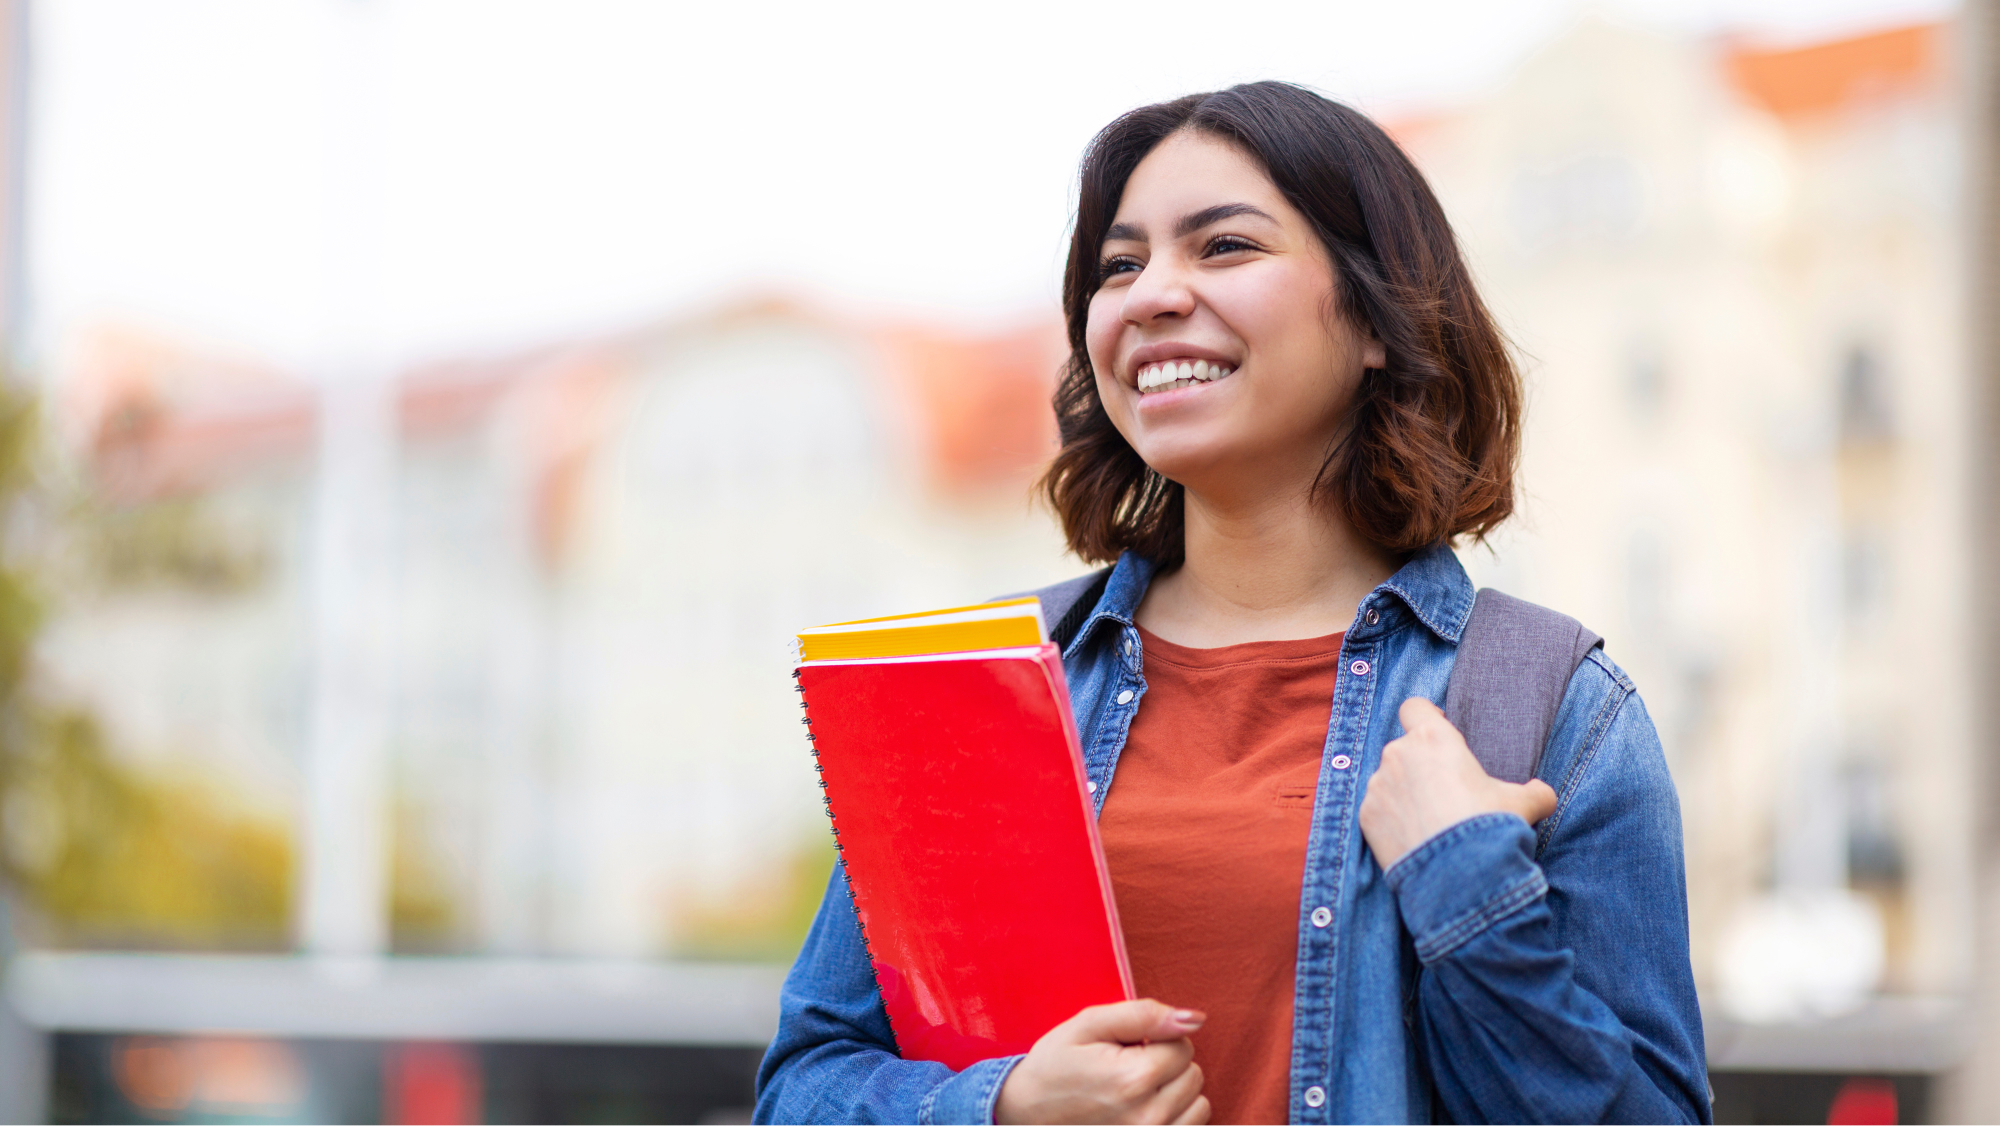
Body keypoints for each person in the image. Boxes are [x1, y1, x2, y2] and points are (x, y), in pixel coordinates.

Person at [755, 81, 1708, 1125]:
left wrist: (1468, 888)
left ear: (1375, 317)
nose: (1150, 293)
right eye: (1119, 265)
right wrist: (1005, 1106)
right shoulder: (972, 688)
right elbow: (803, 1084)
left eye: (1222, 248)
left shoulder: (1554, 710)